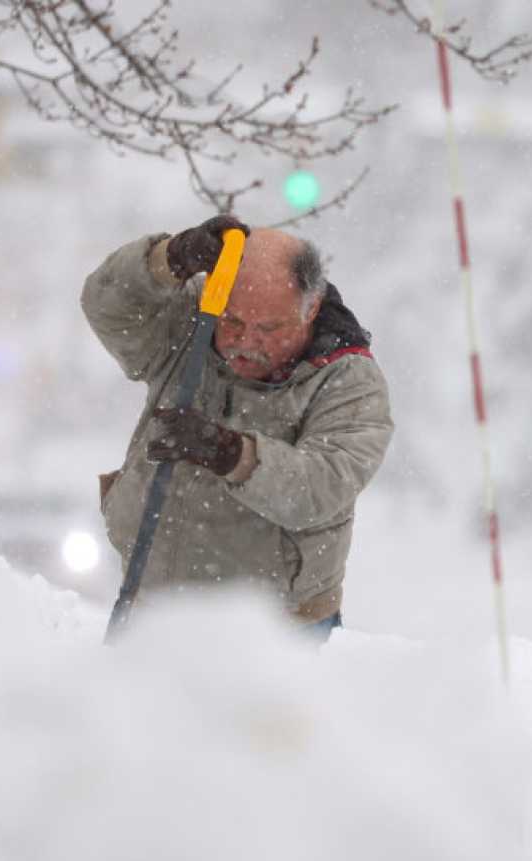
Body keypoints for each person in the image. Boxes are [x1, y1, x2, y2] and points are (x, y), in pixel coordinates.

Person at [82, 214, 392, 636]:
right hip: (153, 602)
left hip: (278, 628)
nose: (247, 342)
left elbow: (321, 488)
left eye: (269, 328)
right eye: (232, 322)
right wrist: (168, 259)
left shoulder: (348, 380)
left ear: (312, 308)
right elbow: (107, 306)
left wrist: (232, 454)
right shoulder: (192, 321)